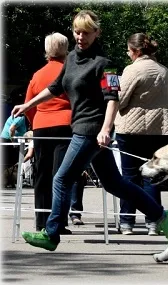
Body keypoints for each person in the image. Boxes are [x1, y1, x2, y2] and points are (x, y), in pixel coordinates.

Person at [11, 10, 168, 251]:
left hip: (91, 130)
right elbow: (56, 88)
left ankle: (51, 233)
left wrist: (106, 128)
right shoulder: (69, 60)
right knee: (115, 184)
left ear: (97, 33)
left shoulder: (104, 64)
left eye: (86, 33)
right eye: (77, 31)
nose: (80, 36)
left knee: (62, 178)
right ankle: (162, 216)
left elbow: (112, 98)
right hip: (80, 127)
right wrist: (28, 104)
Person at [114, 32, 168, 236]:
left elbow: (120, 100)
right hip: (160, 130)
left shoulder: (132, 70)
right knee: (153, 176)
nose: (127, 53)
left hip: (132, 129)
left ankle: (126, 222)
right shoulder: (164, 71)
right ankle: (153, 221)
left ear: (136, 51)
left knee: (130, 176)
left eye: (128, 50)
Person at [23, 32, 84, 232]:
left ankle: (41, 220)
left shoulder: (38, 74)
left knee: (42, 174)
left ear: (47, 50)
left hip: (42, 125)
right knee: (62, 175)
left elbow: (29, 105)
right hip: (67, 125)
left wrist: (35, 123)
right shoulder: (71, 70)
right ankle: (58, 221)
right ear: (66, 48)